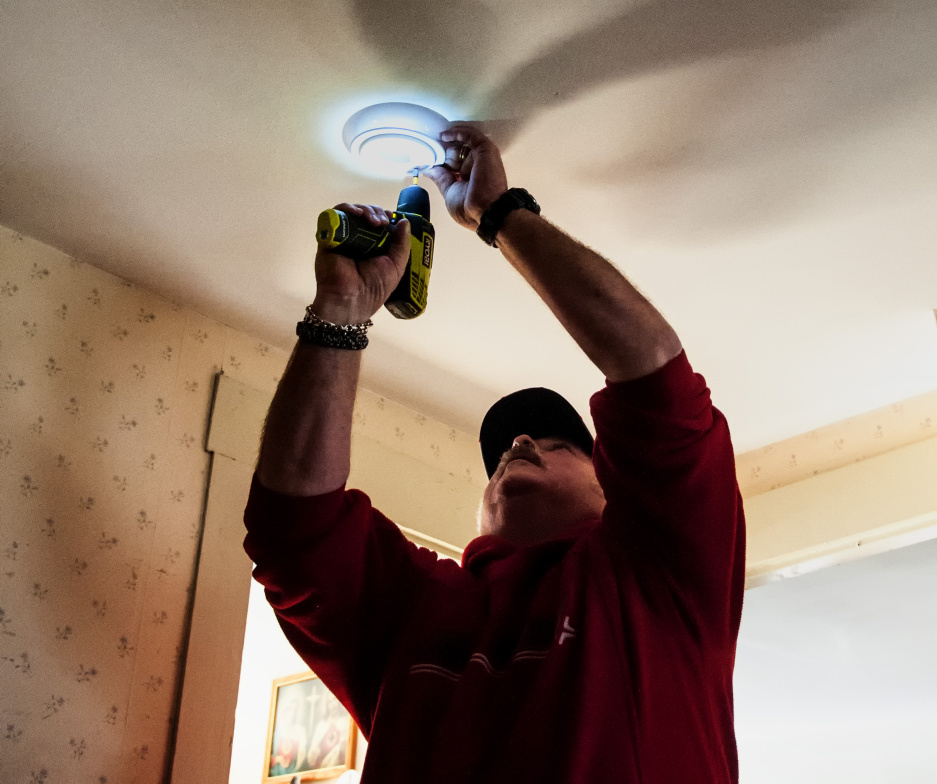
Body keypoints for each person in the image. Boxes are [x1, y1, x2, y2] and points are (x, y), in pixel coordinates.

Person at [244, 124, 746, 784]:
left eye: (558, 443)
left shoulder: (657, 576)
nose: (518, 443)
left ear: (612, 491)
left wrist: (499, 212)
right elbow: (295, 535)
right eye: (510, 448)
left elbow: (651, 373)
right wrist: (340, 310)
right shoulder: (415, 609)